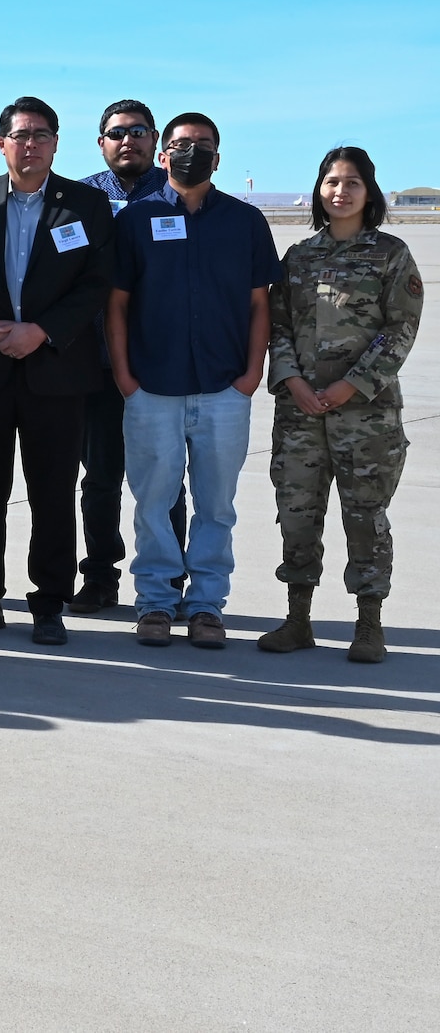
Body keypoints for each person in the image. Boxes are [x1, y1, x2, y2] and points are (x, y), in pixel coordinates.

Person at [0, 97, 115, 647]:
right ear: (0, 144)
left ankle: (49, 603)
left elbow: (95, 281)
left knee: (52, 491)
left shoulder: (85, 205)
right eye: (20, 134)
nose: (30, 143)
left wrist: (42, 330)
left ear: (56, 143)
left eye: (41, 134)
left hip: (55, 370)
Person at [107, 112, 279, 648]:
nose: (191, 152)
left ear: (217, 157)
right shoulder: (135, 219)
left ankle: (206, 604)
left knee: (216, 505)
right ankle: (155, 602)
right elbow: (115, 304)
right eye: (181, 144)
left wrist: (251, 375)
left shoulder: (244, 222)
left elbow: (259, 304)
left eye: (202, 145)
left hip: (225, 388)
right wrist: (125, 378)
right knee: (153, 503)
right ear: (163, 156)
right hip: (152, 388)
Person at [260, 147, 421, 663]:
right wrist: (292, 380)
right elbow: (277, 326)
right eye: (331, 181)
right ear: (319, 190)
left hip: (366, 416)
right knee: (297, 513)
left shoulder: (391, 254)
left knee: (366, 515)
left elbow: (401, 328)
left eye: (352, 183)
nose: (340, 191)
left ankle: (369, 624)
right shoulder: (299, 257)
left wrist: (352, 384)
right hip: (301, 413)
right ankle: (298, 619)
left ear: (368, 192)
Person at [72, 98, 186, 614]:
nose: (128, 140)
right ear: (101, 142)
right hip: (94, 367)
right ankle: (99, 575)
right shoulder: (80, 199)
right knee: (99, 479)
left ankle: (170, 578)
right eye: (117, 132)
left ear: (155, 142)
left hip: (159, 367)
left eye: (139, 131)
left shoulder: (177, 197)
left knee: (166, 480)